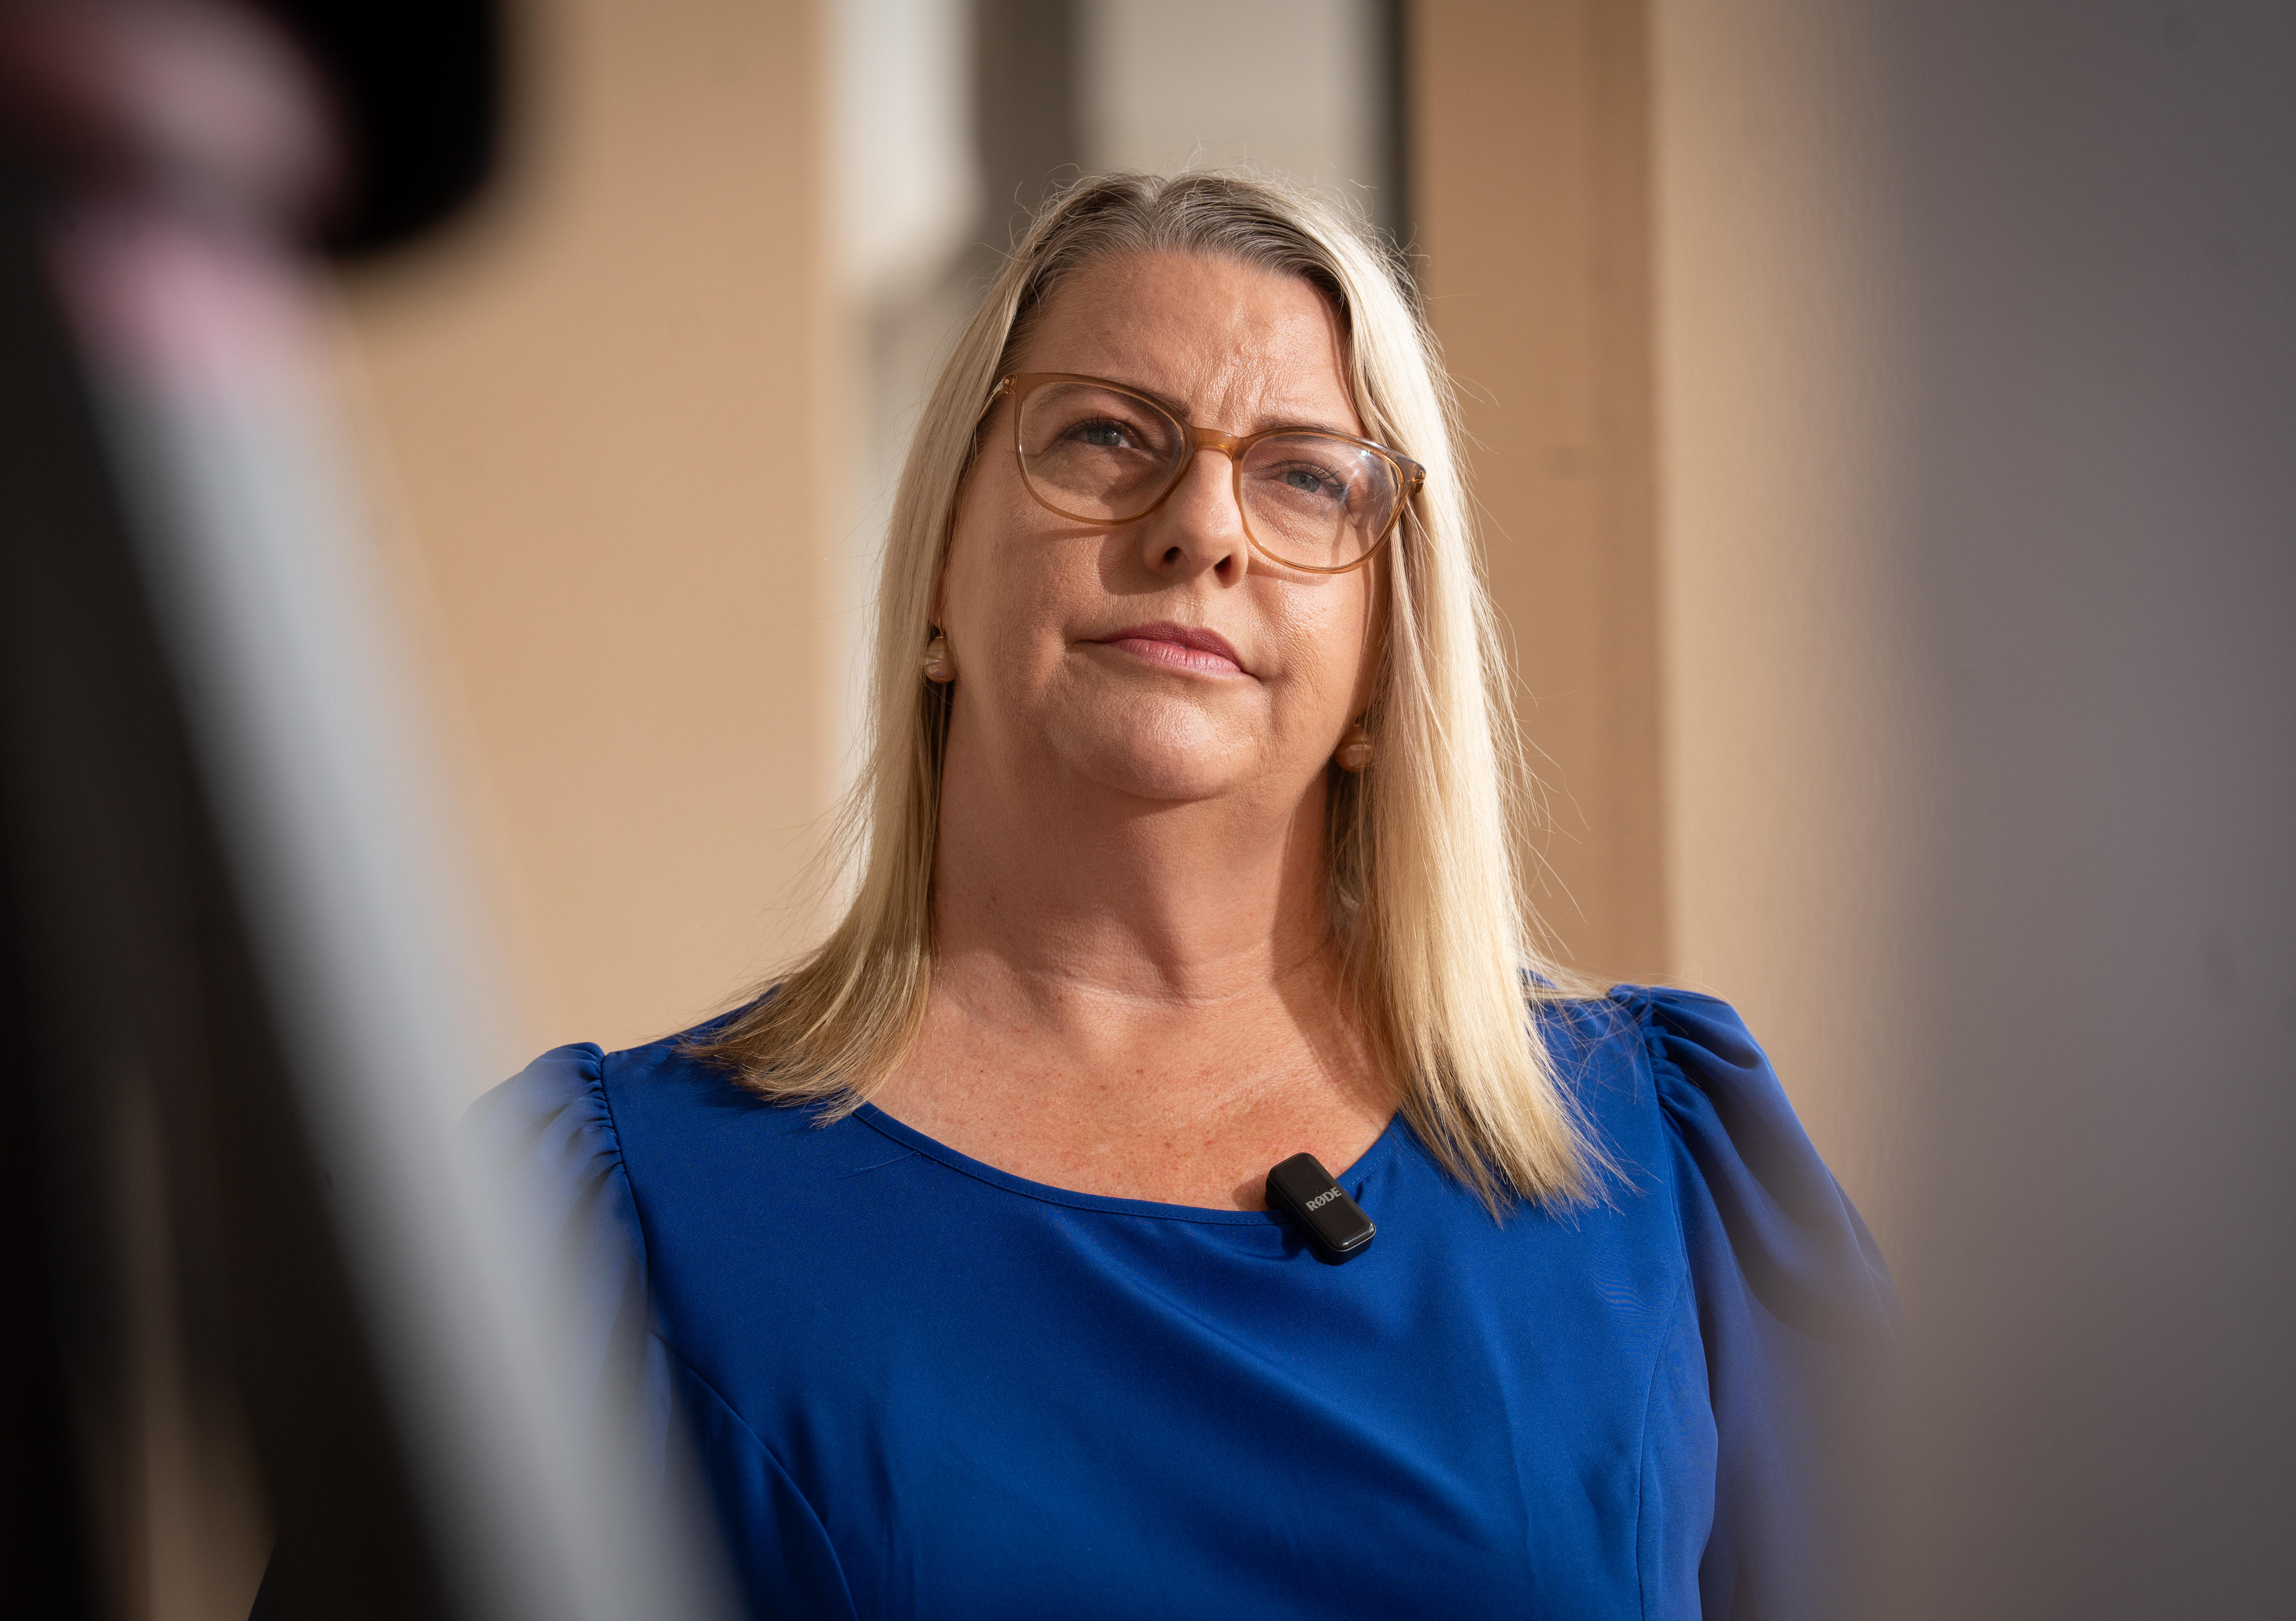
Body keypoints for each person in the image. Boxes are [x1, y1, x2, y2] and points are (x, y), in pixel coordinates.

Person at [471, 172, 1898, 1620]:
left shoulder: (1667, 1163)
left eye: (1305, 476)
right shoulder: (606, 1224)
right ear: (940, 582)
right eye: (1105, 437)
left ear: (1385, 646)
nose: (1200, 528)